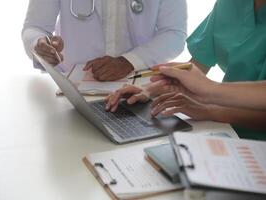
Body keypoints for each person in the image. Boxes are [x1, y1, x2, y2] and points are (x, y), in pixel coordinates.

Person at [106, 0, 266, 140]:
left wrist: (209, 108)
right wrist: (148, 90)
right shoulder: (231, 4)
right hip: (224, 130)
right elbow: (197, 66)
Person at [22, 0, 187, 81]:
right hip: (73, 88)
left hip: (138, 89)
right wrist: (38, 44)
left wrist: (129, 61)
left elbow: (174, 34)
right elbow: (34, 27)